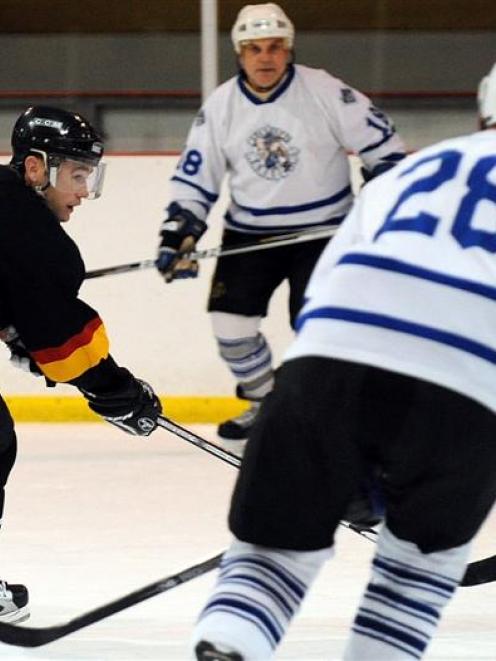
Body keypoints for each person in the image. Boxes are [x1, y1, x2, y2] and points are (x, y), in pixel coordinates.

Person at [191, 62, 496, 661]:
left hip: (323, 370)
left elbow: (328, 297)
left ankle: (230, 641)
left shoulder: (416, 171)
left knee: (271, 553)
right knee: (413, 573)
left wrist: (347, 439)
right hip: (465, 391)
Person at [156, 2, 406, 440]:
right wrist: (181, 230)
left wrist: (384, 188)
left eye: (275, 47)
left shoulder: (324, 90)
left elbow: (383, 146)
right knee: (229, 326)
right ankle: (264, 402)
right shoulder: (221, 106)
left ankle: (324, 415)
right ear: (239, 53)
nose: (265, 57)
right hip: (249, 232)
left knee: (318, 327)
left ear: (288, 50)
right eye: (254, 49)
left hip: (324, 231)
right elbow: (197, 175)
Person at [0, 106, 162, 623]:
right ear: (34, 169)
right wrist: (117, 391)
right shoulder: (34, 234)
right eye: (76, 175)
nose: (84, 191)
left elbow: (22, 313)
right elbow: (62, 340)